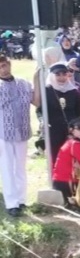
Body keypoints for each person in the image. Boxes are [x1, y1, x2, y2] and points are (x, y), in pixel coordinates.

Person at [0, 54, 38, 217]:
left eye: (4, 65)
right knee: (7, 167)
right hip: (4, 132)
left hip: (22, 130)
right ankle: (11, 202)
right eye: (0, 66)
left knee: (20, 166)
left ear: (9, 64)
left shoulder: (23, 83)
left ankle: (21, 199)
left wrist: (37, 78)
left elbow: (36, 102)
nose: (3, 69)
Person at [42, 63, 80, 168]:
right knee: (55, 155)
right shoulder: (47, 91)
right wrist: (43, 121)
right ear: (52, 75)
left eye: (64, 74)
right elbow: (40, 109)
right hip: (53, 128)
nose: (61, 77)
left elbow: (79, 109)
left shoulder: (73, 91)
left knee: (72, 154)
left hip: (70, 128)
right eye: (58, 74)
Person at [51, 117, 80, 203]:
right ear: (71, 130)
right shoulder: (75, 144)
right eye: (79, 128)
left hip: (60, 182)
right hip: (68, 183)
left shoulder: (70, 142)